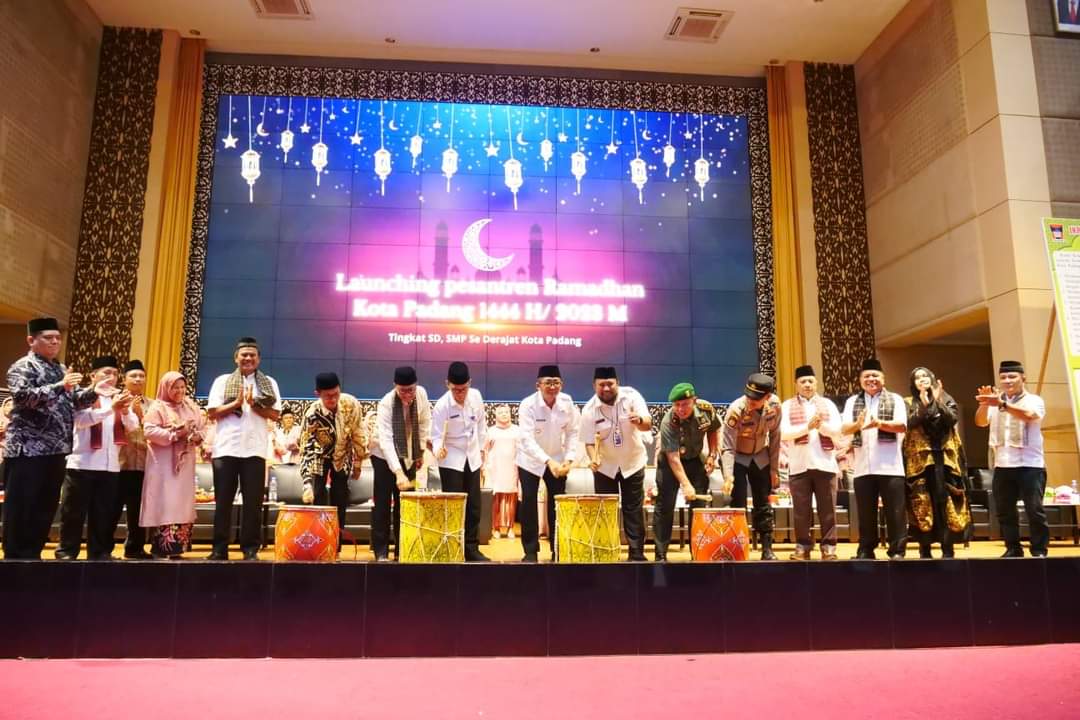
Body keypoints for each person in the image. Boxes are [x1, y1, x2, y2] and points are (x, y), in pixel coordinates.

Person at [3, 318, 106, 559]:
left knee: (45, 506)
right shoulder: (23, 366)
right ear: (31, 340)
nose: (55, 342)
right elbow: (23, 397)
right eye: (48, 338)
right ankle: (15, 557)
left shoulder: (60, 368)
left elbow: (74, 401)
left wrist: (94, 390)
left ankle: (33, 555)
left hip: (57, 449)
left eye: (58, 338)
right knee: (22, 505)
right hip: (27, 449)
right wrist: (61, 386)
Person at [205, 336, 282, 560]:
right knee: (223, 502)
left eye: (252, 355)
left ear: (258, 359)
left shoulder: (269, 383)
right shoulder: (222, 381)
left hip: (255, 450)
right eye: (244, 355)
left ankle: (250, 549)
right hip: (226, 449)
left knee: (253, 503)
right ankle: (219, 549)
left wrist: (254, 404)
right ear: (236, 358)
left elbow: (275, 415)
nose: (248, 358)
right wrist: (236, 404)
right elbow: (212, 412)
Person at [56, 355, 139, 560]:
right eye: (106, 373)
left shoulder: (119, 396)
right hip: (82, 463)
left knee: (103, 513)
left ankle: (99, 553)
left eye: (115, 373)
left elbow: (133, 426)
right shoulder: (82, 396)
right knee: (74, 513)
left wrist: (125, 411)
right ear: (93, 376)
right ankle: (67, 552)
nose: (111, 377)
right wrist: (111, 409)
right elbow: (81, 421)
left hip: (110, 466)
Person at [975, 360, 1048, 557]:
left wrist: (1002, 405)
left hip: (1030, 465)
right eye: (1003, 377)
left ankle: (1039, 549)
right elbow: (980, 422)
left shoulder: (1034, 400)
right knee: (1005, 510)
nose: (1007, 381)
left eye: (1012, 376)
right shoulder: (996, 402)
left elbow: (1030, 415)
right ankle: (1013, 548)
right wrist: (984, 404)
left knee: (1034, 510)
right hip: (1003, 464)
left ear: (1023, 378)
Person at [841, 358, 908, 560]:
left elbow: (902, 426)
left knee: (895, 512)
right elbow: (845, 429)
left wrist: (879, 423)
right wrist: (857, 425)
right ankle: (866, 549)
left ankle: (897, 550)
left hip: (890, 466)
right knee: (865, 512)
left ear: (883, 378)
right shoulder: (852, 401)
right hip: (862, 467)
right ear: (860, 380)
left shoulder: (895, 399)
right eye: (867, 376)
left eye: (875, 375)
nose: (871, 379)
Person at [581, 367, 650, 562]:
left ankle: (636, 553)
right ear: (594, 386)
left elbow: (648, 424)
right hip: (605, 467)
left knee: (633, 508)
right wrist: (593, 458)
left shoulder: (632, 396)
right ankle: (607, 551)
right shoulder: (589, 410)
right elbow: (588, 442)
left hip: (633, 462)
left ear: (617, 383)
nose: (606, 388)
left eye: (610, 384)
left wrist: (639, 421)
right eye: (601, 385)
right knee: (606, 511)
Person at [903, 367, 969, 559]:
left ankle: (948, 547)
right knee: (922, 502)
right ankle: (925, 549)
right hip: (919, 462)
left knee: (945, 501)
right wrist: (924, 405)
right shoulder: (908, 402)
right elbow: (909, 423)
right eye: (917, 377)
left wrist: (937, 400)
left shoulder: (945, 398)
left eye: (925, 376)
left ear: (932, 379)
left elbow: (951, 419)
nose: (922, 379)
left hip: (946, 460)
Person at [516, 364, 580, 562]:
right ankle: (530, 551)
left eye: (556, 383)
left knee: (557, 503)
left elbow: (573, 432)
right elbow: (526, 439)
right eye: (548, 383)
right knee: (529, 503)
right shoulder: (528, 405)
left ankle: (558, 548)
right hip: (529, 460)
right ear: (538, 385)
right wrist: (547, 461)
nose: (552, 387)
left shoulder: (567, 402)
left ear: (562, 384)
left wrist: (569, 459)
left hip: (557, 459)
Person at [780, 365, 843, 560]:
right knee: (801, 510)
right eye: (803, 381)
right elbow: (783, 433)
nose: (807, 385)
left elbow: (837, 430)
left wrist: (820, 426)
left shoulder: (828, 404)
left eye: (810, 381)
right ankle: (803, 546)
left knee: (828, 509)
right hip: (799, 465)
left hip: (825, 464)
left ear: (816, 383)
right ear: (796, 384)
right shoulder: (787, 405)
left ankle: (829, 547)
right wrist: (807, 427)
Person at [298, 372, 367, 548]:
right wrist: (307, 483)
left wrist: (358, 462)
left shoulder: (351, 404)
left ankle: (336, 545)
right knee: (317, 498)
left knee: (340, 500)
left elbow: (358, 432)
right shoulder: (312, 414)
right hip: (319, 456)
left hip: (343, 454)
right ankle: (318, 543)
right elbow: (306, 449)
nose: (333, 399)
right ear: (318, 394)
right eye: (328, 396)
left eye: (336, 393)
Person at [141, 371, 205, 558]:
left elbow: (203, 428)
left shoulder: (191, 406)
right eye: (175, 387)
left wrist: (196, 435)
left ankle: (178, 548)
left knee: (182, 503)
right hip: (162, 464)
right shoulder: (158, 407)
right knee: (165, 500)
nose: (179, 391)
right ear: (165, 388)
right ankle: (161, 548)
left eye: (182, 387)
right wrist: (176, 434)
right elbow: (149, 431)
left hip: (184, 464)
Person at [653, 382, 719, 562]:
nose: (680, 409)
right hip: (670, 463)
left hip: (695, 458)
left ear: (694, 401)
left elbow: (713, 430)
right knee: (665, 506)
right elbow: (673, 458)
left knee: (698, 507)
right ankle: (660, 555)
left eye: (685, 404)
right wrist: (686, 485)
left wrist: (712, 455)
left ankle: (697, 553)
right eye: (677, 405)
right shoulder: (668, 421)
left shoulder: (706, 410)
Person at [371, 366, 431, 561]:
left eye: (410, 390)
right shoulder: (386, 403)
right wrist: (398, 472)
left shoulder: (421, 394)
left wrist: (420, 451)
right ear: (395, 386)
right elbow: (386, 441)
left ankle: (403, 548)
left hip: (409, 453)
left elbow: (424, 423)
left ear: (416, 385)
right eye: (402, 391)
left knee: (405, 504)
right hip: (382, 455)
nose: (407, 395)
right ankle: (381, 550)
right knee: (382, 503)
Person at [431, 361, 489, 562]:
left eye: (463, 389)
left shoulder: (476, 397)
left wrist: (481, 450)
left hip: (472, 456)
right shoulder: (442, 406)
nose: (460, 394)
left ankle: (472, 549)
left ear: (470, 383)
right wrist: (438, 450)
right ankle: (453, 548)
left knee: (474, 505)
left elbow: (481, 425)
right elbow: (436, 436)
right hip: (451, 459)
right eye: (455, 389)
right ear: (447, 384)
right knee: (454, 506)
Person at [721, 372, 782, 560]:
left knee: (763, 503)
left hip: (761, 456)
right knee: (737, 503)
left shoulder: (775, 406)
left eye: (755, 399)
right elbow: (727, 447)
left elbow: (775, 437)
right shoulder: (736, 410)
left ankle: (767, 549)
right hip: (738, 457)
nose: (750, 401)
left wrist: (774, 469)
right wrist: (728, 476)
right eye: (748, 396)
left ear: (767, 397)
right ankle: (737, 549)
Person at [116, 359, 151, 559]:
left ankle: (135, 548)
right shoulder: (116, 401)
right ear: (124, 379)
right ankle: (103, 548)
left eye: (141, 376)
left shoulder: (153, 405)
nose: (138, 379)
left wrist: (141, 415)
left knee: (138, 509)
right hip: (119, 463)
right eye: (133, 375)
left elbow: (154, 432)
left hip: (144, 464)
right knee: (111, 508)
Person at [485, 404, 522, 540]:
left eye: (506, 412)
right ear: (495, 415)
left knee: (511, 497)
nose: (504, 414)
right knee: (496, 498)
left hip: (512, 467)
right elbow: (485, 450)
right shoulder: (490, 431)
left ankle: (511, 527)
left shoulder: (517, 430)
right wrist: (484, 466)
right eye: (501, 412)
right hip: (495, 468)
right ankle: (496, 528)